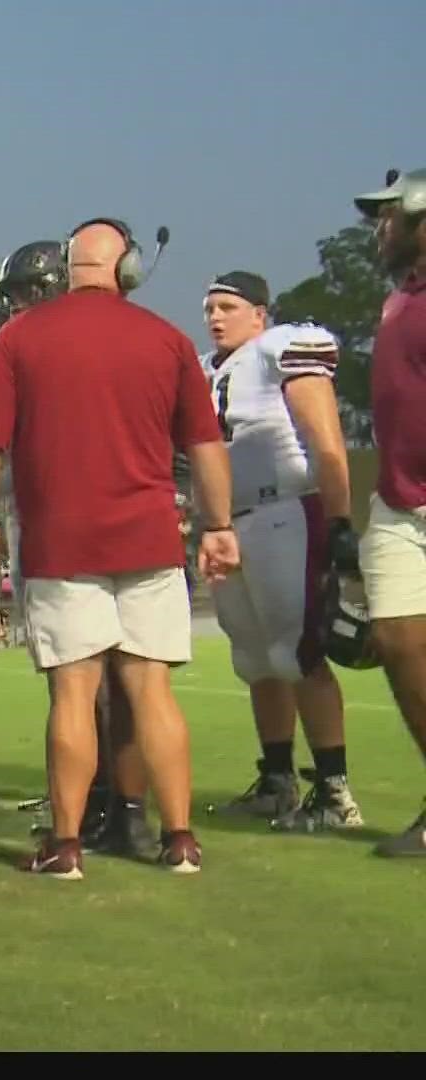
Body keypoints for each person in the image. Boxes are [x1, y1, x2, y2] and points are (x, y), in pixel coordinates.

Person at [0, 217, 239, 878]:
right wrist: (219, 525)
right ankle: (179, 840)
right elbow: (204, 445)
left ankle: (65, 846)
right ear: (129, 269)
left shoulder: (20, 337)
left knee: (72, 694)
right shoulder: (167, 339)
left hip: (62, 541)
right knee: (154, 695)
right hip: (148, 536)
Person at [197, 271, 361, 830]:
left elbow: (324, 437)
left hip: (284, 511)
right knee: (254, 658)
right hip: (230, 522)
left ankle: (336, 793)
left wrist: (340, 517)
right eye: (209, 308)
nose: (215, 317)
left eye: (227, 306)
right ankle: (277, 779)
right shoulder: (206, 369)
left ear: (260, 313)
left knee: (299, 653)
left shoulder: (277, 347)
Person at [352, 169, 426, 856]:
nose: (380, 228)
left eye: (389, 216)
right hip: (402, 501)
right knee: (400, 645)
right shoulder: (400, 297)